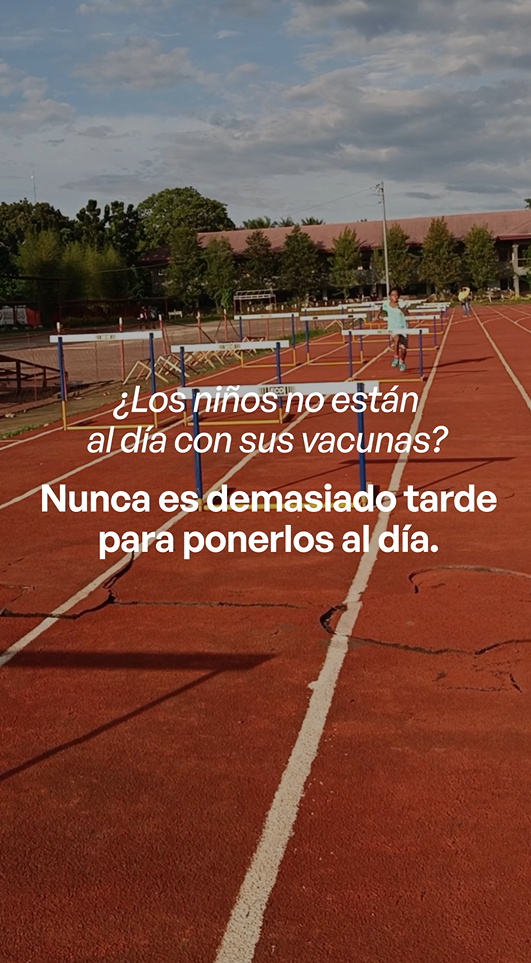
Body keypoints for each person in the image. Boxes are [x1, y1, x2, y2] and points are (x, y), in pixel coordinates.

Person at [378, 287, 409, 372]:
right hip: (392, 328)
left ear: (398, 296)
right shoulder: (386, 304)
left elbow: (407, 313)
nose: (394, 296)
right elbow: (380, 308)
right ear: (389, 296)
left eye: (396, 295)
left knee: (403, 349)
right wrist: (377, 315)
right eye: (392, 295)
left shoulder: (402, 304)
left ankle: (401, 361)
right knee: (397, 338)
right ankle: (395, 357)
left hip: (403, 327)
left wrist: (402, 309)